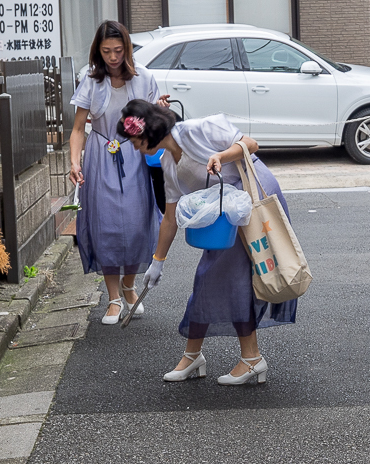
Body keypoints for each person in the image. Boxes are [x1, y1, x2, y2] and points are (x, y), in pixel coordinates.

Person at [116, 99, 297, 385]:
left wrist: (222, 156)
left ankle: (245, 358)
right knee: (212, 278)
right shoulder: (167, 162)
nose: (136, 147)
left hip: (251, 200)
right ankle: (202, 356)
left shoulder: (200, 128)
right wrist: (157, 262)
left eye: (136, 140)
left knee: (217, 277)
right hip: (226, 215)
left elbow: (251, 144)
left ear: (149, 130)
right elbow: (170, 216)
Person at [69, 20, 169, 325]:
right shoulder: (91, 79)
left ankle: (128, 285)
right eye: (106, 51)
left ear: (126, 49)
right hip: (100, 154)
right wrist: (75, 161)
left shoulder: (144, 77)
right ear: (98, 52)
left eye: (118, 50)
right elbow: (77, 129)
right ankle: (113, 297)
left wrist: (160, 109)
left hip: (135, 153)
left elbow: (154, 120)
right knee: (106, 225)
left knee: (137, 223)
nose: (112, 57)